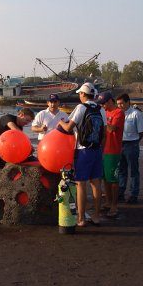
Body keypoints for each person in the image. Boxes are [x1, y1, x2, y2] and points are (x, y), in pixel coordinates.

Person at [58, 82, 107, 226]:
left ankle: (81, 219)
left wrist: (61, 122)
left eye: (80, 93)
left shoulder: (81, 107)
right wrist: (100, 149)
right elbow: (104, 133)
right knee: (96, 183)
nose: (79, 95)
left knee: (80, 184)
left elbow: (68, 128)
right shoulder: (100, 109)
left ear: (83, 94)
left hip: (83, 150)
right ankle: (96, 216)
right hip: (97, 150)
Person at [96, 92, 125, 218]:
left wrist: (102, 123)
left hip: (113, 150)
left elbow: (112, 128)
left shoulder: (118, 112)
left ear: (109, 101)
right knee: (105, 178)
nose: (102, 106)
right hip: (103, 149)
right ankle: (108, 202)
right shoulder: (105, 112)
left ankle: (114, 205)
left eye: (103, 103)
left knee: (113, 178)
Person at [116, 93, 143, 204]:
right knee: (121, 170)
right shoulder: (118, 114)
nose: (120, 106)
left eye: (122, 103)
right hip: (119, 144)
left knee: (133, 171)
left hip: (131, 144)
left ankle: (134, 194)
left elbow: (141, 132)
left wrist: (135, 143)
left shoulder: (136, 114)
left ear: (128, 102)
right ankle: (121, 192)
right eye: (118, 104)